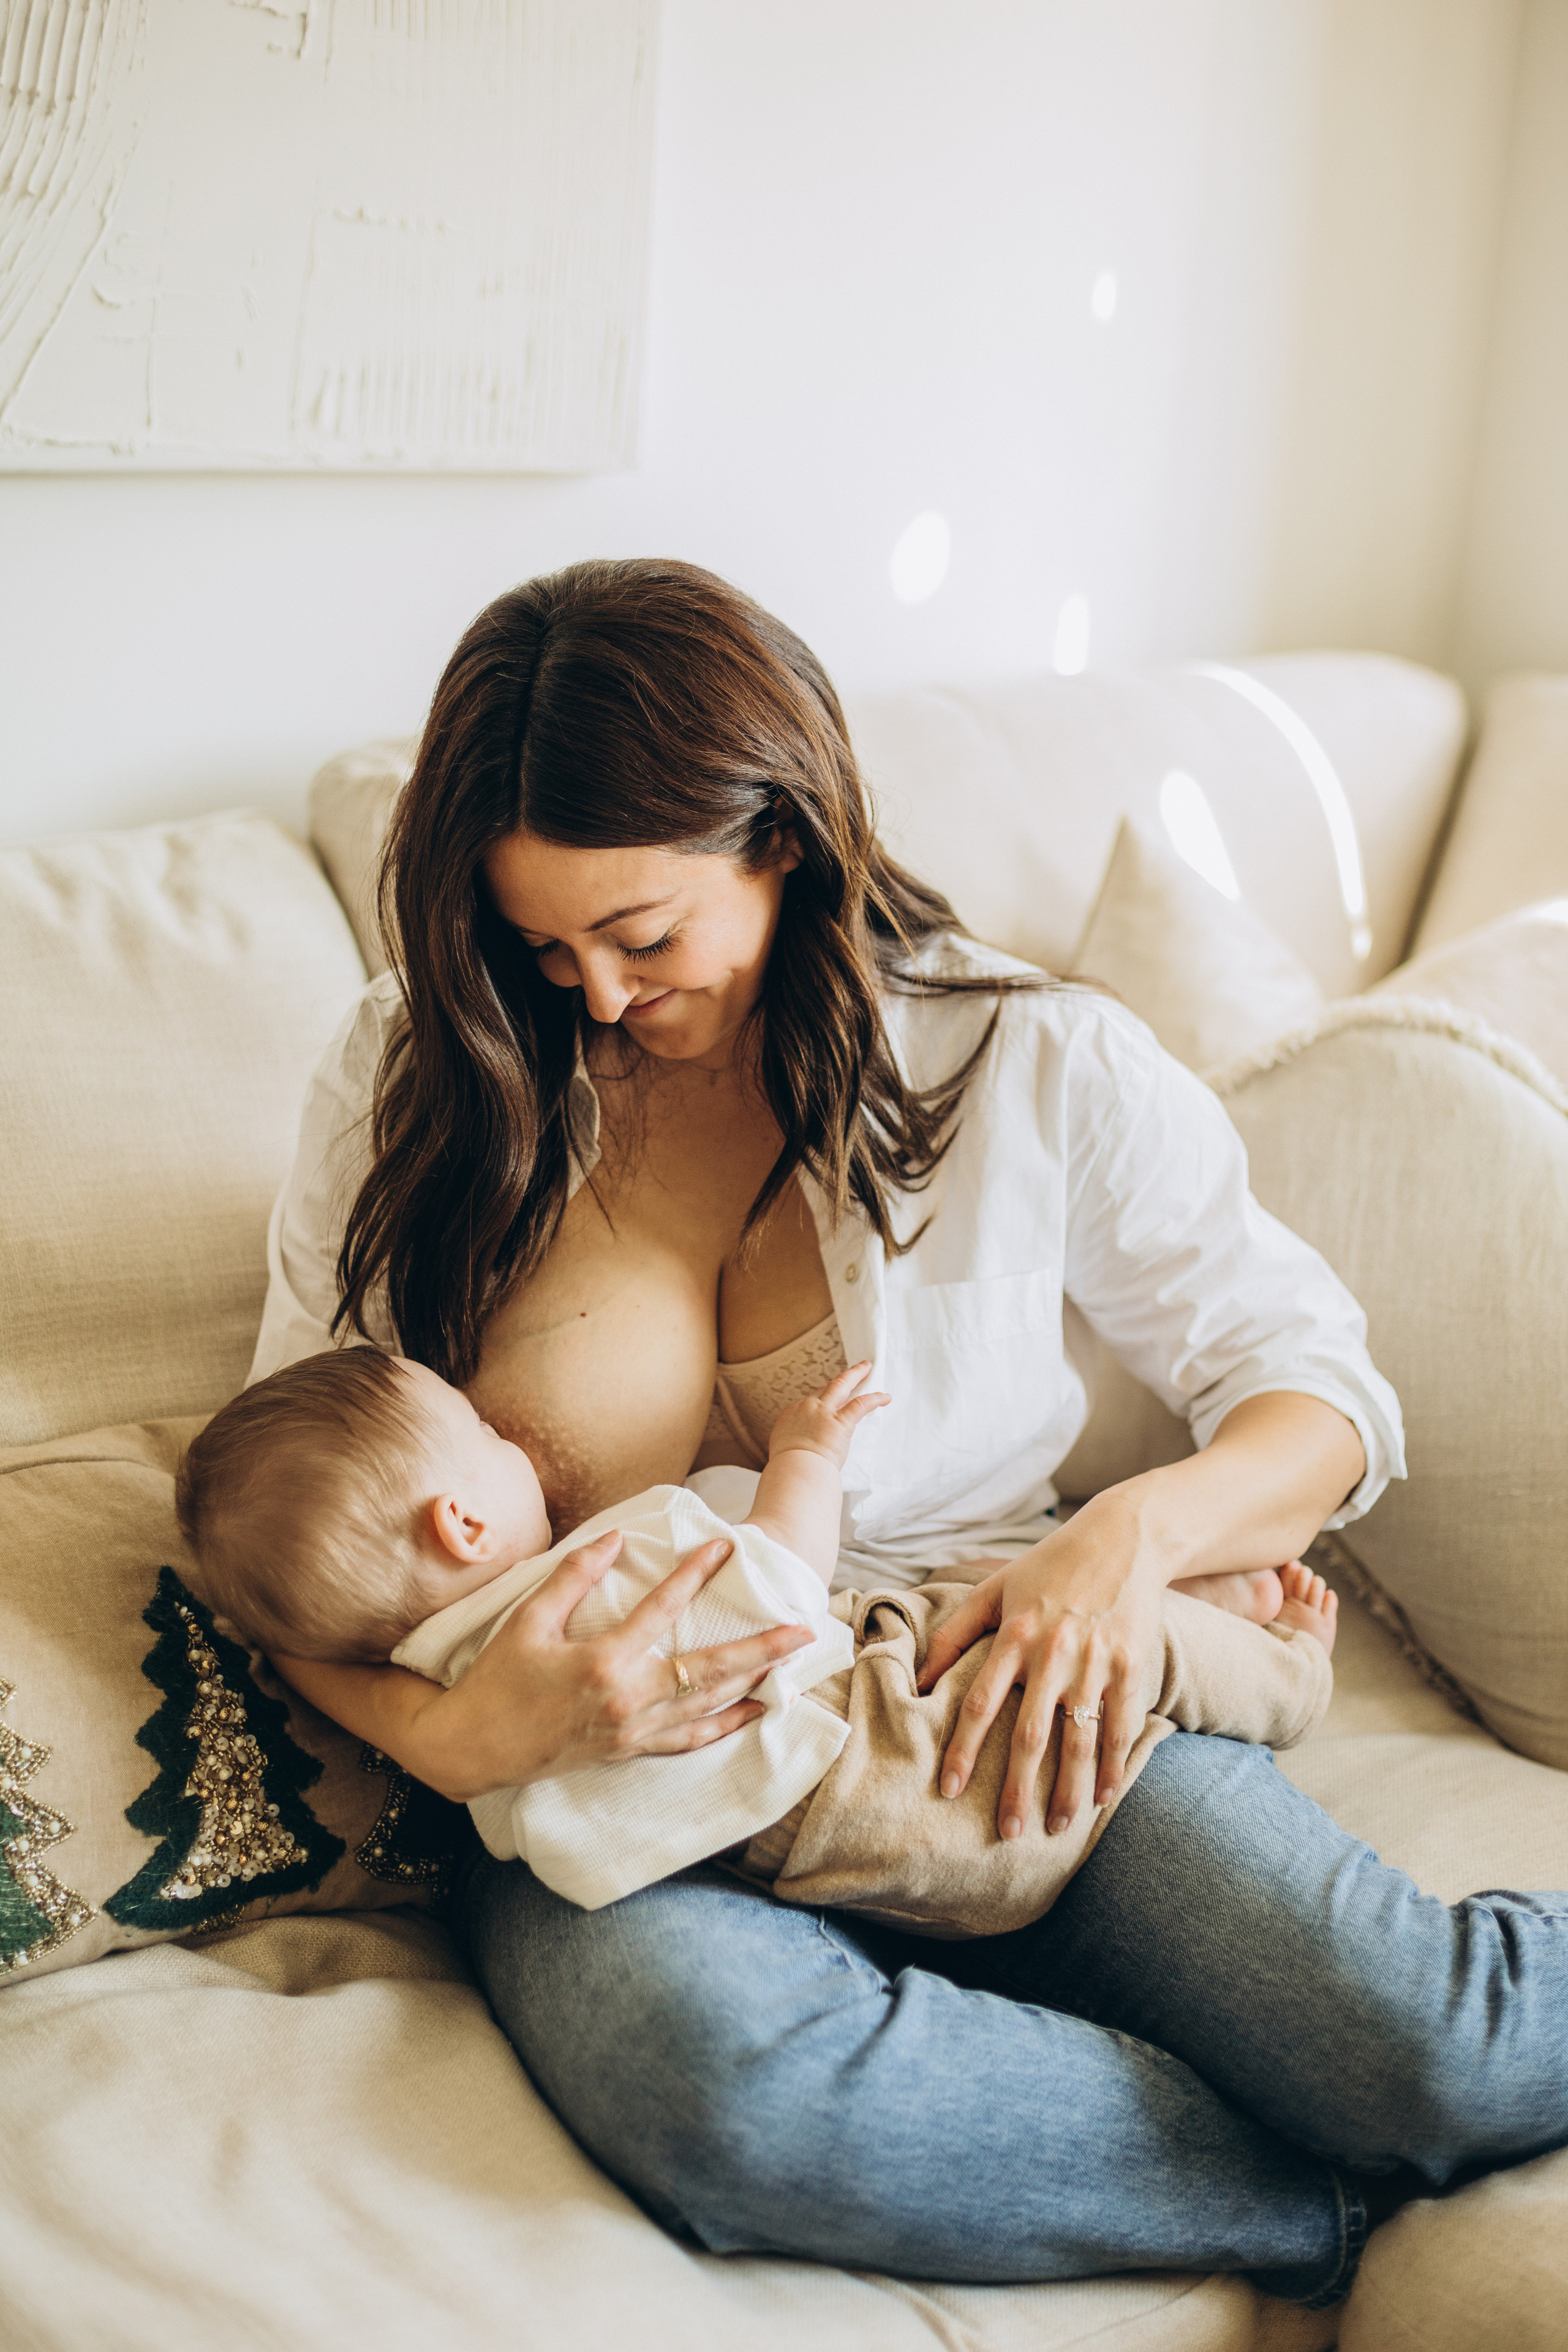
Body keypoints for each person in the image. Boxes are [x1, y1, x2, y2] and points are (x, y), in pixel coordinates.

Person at [252, 557, 1568, 2307]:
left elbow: (1319, 1390)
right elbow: (281, 1536)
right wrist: (463, 1734)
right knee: (719, 2086)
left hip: (985, 1686)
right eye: (539, 944)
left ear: (781, 838)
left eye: (643, 937)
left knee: (1439, 2053)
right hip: (621, 1785)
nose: (593, 997)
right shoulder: (418, 1078)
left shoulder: (1035, 1064)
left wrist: (1127, 1544)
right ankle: (1320, 2217)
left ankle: (1378, 2122)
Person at [176, 1347, 1335, 1931]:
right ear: (462, 1521)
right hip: (915, 1763)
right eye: (477, 1428)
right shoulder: (606, 1577)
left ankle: (1209, 1609)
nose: (501, 1431)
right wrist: (807, 1459)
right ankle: (1284, 1668)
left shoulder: (442, 1686)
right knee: (1014, 1623)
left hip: (858, 1875)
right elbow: (787, 1582)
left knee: (987, 1586)